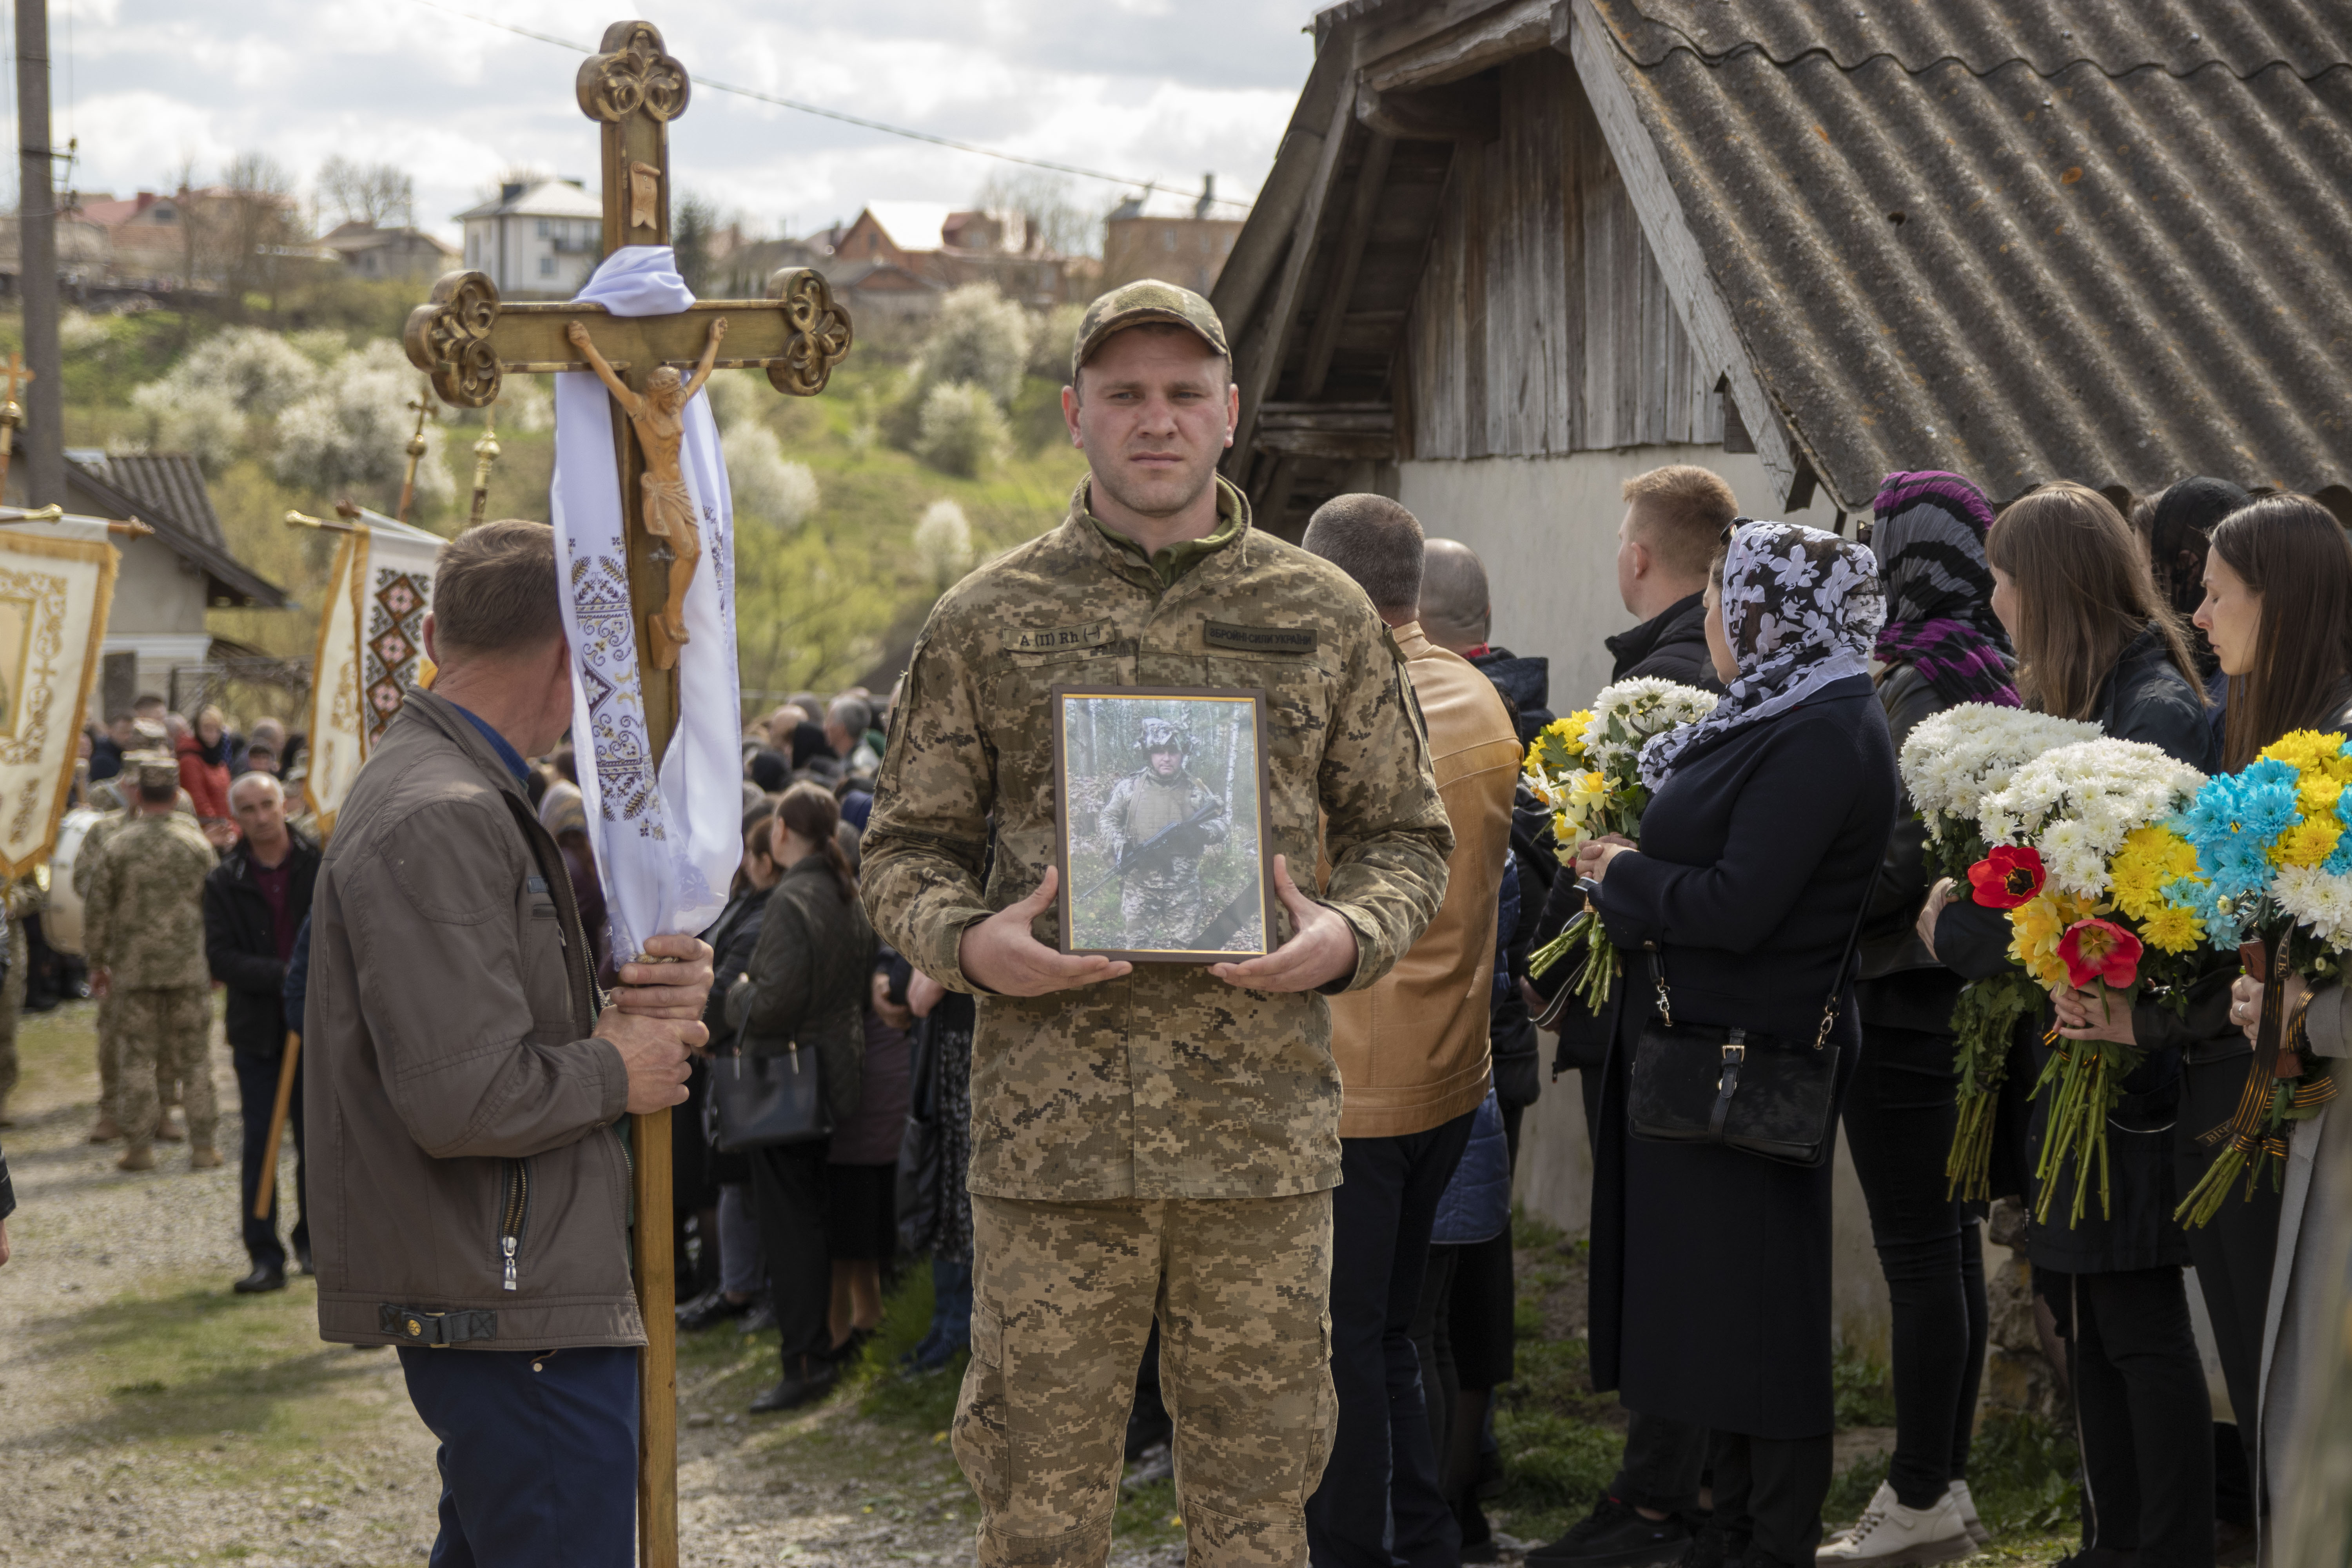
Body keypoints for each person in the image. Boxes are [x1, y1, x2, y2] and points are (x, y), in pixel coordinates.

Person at [860, 278, 1451, 1568]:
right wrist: (969, 945)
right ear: (1075, 414)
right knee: (1038, 1512)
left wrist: (1348, 936)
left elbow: (1410, 837)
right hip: (1053, 1153)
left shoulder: (1322, 614)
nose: (1156, 419)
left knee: (1256, 1517)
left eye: (1185, 393)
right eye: (1124, 393)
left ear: (1230, 413)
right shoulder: (986, 620)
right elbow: (903, 849)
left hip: (1257, 1145)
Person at [303, 519, 709, 1568]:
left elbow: (488, 1025)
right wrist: (619, 1067)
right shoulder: (440, 810)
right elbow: (465, 1096)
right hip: (512, 1296)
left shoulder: (457, 789)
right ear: (576, 650)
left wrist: (632, 1006)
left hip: (513, 1287)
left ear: (436, 634)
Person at [1574, 520, 1898, 1568]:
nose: (1711, 618)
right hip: (1712, 1043)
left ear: (1772, 614)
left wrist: (1623, 876)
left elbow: (1742, 903)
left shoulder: (1824, 729)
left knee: (1760, 1308)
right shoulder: (1783, 706)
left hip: (1753, 1057)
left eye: (1723, 601)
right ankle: (1726, 1521)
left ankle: (1770, 1536)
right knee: (1716, 1306)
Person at [1924, 481, 2216, 1568]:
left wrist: (1962, 927)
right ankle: (2112, 1541)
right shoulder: (2100, 693)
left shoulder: (2153, 708)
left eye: (2001, 581)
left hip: (2126, 1068)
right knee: (2091, 1317)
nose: (1993, 603)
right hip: (2080, 1052)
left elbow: (2124, 921)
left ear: (2045, 589)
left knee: (2136, 1325)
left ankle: (2166, 1548)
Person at [1529, 464, 1744, 1568]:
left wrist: (1553, 964)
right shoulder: (1700, 665)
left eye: (1623, 536)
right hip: (1668, 1008)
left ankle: (1659, 1494)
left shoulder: (1667, 679)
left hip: (1650, 1014)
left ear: (1643, 556)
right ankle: (1684, 1480)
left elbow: (1613, 852)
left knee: (1663, 1261)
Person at [1298, 492, 1518, 1568]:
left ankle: (1353, 1551)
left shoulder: (1347, 713)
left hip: (1355, 1079)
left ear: (1324, 585)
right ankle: (1423, 1540)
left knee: (1340, 1347)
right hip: (1450, 1067)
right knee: (1391, 1336)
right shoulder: (1476, 693)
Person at [1817, 472, 2016, 1565]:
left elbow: (1898, 855)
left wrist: (1809, 899)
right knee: (1946, 1249)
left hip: (1900, 994)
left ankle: (1920, 1489)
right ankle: (1946, 1480)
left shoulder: (1918, 683)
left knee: (1920, 1256)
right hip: (1955, 993)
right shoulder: (1989, 665)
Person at [2178, 496, 2352, 1522]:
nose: (2198, 618)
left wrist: (2297, 1007)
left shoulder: (2339, 743)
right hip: (2261, 1103)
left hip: (2317, 1119)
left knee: (2311, 1426)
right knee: (2268, 1404)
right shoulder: (2263, 733)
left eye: (2216, 594)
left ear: (2278, 602)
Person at [727, 782, 875, 1412]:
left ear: (783, 831)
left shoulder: (794, 897)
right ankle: (817, 1352)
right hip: (831, 1073)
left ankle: (806, 1361)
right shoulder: (843, 888)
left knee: (791, 1232)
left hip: (789, 1082)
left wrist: (736, 991)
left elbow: (773, 1002)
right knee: (808, 1223)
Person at [202, 772, 320, 1294]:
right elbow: (221, 957)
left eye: (267, 804)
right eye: (248, 809)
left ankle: (315, 1243)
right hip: (258, 1032)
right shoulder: (224, 879)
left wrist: (309, 980)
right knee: (260, 1143)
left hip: (317, 1027)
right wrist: (287, 974)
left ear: (284, 804)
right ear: (237, 818)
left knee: (319, 1142)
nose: (261, 816)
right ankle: (264, 1254)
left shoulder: (320, 864)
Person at [85, 751, 222, 1174]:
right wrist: (216, 961)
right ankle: (203, 1147)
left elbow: (97, 911)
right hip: (189, 969)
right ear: (177, 794)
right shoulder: (197, 845)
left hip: (134, 972)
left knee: (136, 1059)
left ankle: (140, 1149)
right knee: (196, 1058)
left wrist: (97, 963)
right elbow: (218, 907)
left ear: (139, 794)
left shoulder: (118, 845)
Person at [677, 802, 780, 1335]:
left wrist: (703, 1026)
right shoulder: (747, 902)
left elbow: (727, 991)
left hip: (750, 1065)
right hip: (727, 1060)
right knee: (733, 1184)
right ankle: (735, 1285)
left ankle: (747, 1288)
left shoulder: (770, 910)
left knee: (751, 1186)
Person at [829, 951, 916, 1363]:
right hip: (884, 1083)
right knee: (862, 1216)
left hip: (863, 1089)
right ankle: (867, 1316)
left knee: (846, 1221)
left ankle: (838, 1334)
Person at [1098, 717, 1229, 951]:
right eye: (1159, 751)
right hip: (1139, 888)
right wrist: (1121, 845)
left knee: (1188, 951)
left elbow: (1223, 823)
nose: (1166, 758)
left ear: (1183, 753)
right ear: (1149, 754)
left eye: (1173, 751)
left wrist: (1202, 833)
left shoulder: (1197, 790)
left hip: (1184, 891)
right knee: (1137, 949)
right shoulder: (1129, 787)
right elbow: (1107, 819)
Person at [179, 705, 238, 846]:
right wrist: (222, 832)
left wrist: (235, 831)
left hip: (226, 832)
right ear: (198, 729)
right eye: (207, 728)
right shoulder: (190, 761)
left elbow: (229, 801)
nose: (212, 734)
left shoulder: (220, 763)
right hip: (206, 835)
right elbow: (199, 803)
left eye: (217, 729)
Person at [91, 710, 134, 782]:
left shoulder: (123, 754)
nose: (129, 737)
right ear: (111, 731)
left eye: (131, 732)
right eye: (124, 732)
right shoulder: (102, 761)